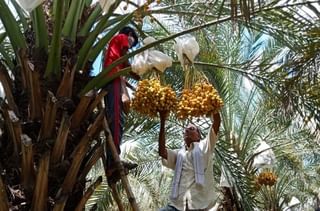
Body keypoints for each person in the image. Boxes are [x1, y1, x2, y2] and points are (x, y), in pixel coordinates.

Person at [158, 111, 221, 211]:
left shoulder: (205, 147)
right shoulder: (179, 154)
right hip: (176, 206)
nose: (187, 131)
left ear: (198, 136)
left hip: (198, 206)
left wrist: (213, 107)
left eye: (191, 129)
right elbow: (162, 152)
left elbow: (216, 122)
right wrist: (162, 122)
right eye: (185, 130)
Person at [103, 26, 139, 182]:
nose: (131, 45)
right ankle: (113, 160)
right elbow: (126, 58)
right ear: (130, 35)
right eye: (133, 42)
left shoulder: (116, 50)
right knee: (117, 120)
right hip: (113, 80)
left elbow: (126, 68)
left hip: (113, 80)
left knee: (116, 121)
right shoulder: (122, 37)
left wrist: (137, 78)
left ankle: (113, 159)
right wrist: (135, 70)